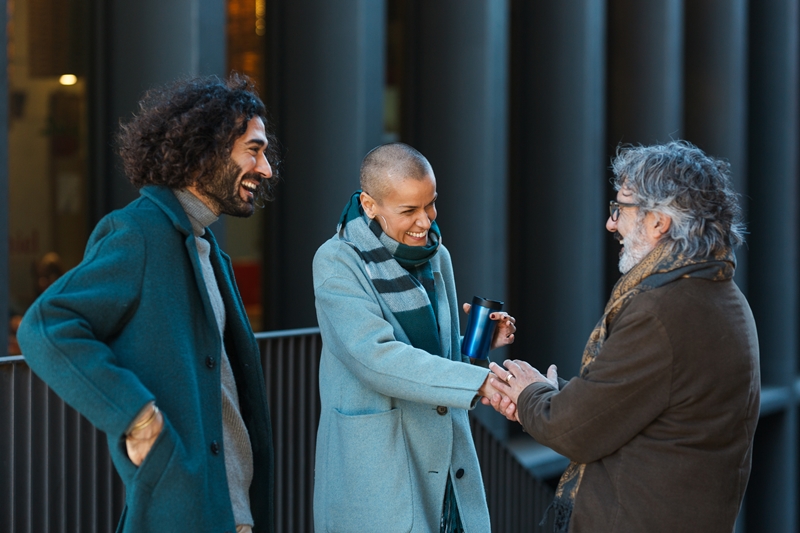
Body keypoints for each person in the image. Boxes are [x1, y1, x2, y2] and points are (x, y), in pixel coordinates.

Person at [17, 74, 277, 533]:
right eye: (253, 150)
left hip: (233, 512)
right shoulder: (137, 233)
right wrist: (137, 418)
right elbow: (45, 326)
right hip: (181, 511)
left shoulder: (208, 249)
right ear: (207, 150)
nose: (266, 168)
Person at [486, 140, 760, 532]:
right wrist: (545, 397)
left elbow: (575, 430)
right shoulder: (719, 294)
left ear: (657, 222)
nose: (611, 223)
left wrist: (534, 397)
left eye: (620, 208)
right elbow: (631, 404)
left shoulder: (663, 310)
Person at [312, 142, 516, 532]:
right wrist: (481, 382)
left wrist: (476, 346)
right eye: (409, 211)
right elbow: (377, 358)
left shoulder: (437, 256)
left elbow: (436, 356)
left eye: (431, 204)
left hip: (447, 459)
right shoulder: (337, 261)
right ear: (371, 206)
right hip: (381, 465)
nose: (425, 221)